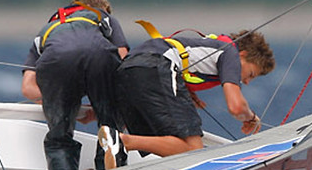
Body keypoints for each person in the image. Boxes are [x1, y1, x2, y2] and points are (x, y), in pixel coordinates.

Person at [115, 29, 274, 157]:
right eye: (251, 74)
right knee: (193, 149)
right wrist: (251, 118)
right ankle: (123, 142)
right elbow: (236, 107)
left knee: (159, 148)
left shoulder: (213, 48)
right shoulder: (230, 53)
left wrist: (188, 94)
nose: (246, 81)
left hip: (127, 69)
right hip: (156, 64)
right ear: (243, 55)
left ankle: (113, 145)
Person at [21, 0, 127, 170]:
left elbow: (28, 88)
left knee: (59, 137)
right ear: (102, 8)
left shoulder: (47, 31)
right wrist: (103, 103)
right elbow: (122, 61)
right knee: (110, 123)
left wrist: (60, 102)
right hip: (99, 56)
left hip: (55, 61)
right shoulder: (104, 17)